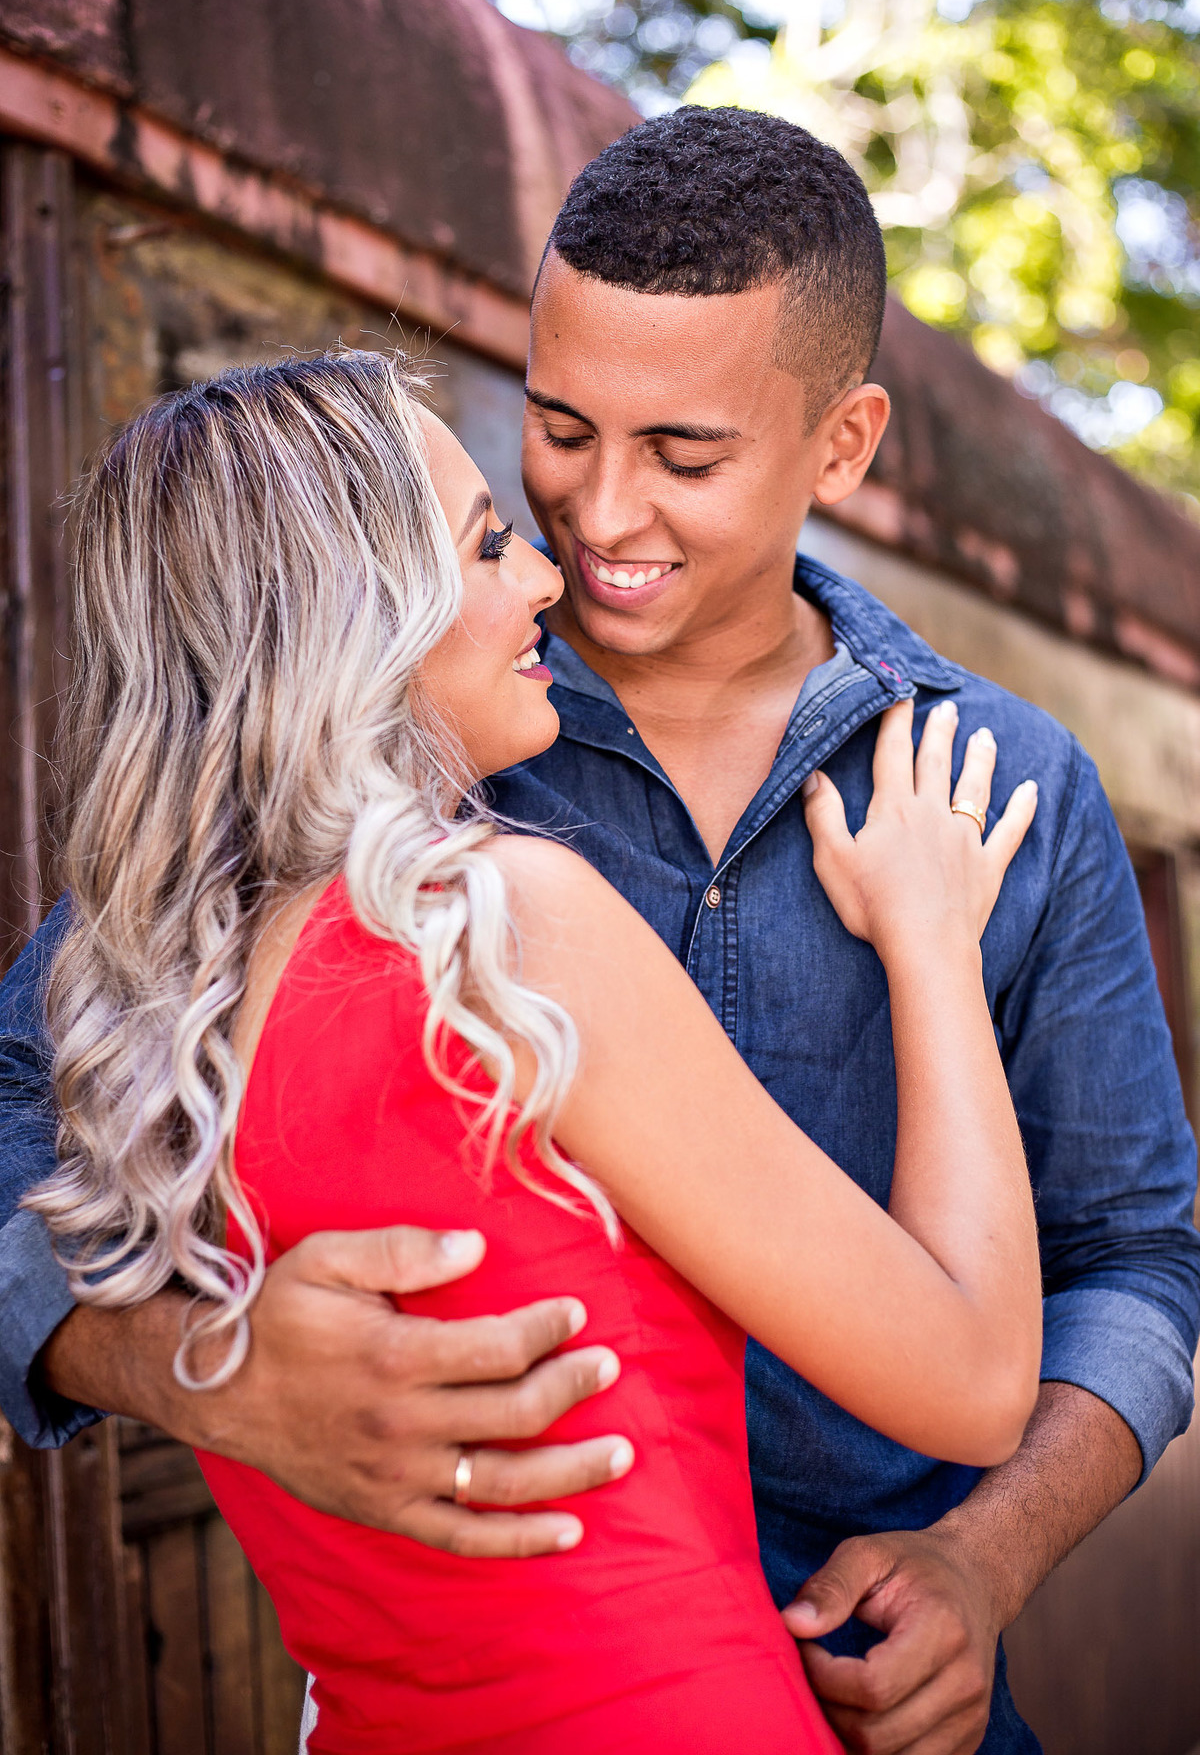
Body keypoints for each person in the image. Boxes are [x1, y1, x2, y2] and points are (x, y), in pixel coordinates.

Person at [0, 107, 1197, 1753]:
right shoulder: (343, 789)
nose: (597, 524)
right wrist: (199, 1365)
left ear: (840, 447)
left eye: (685, 456)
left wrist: (983, 1560)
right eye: (556, 433)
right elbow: (25, 1099)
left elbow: (1137, 1259)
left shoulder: (1013, 788)